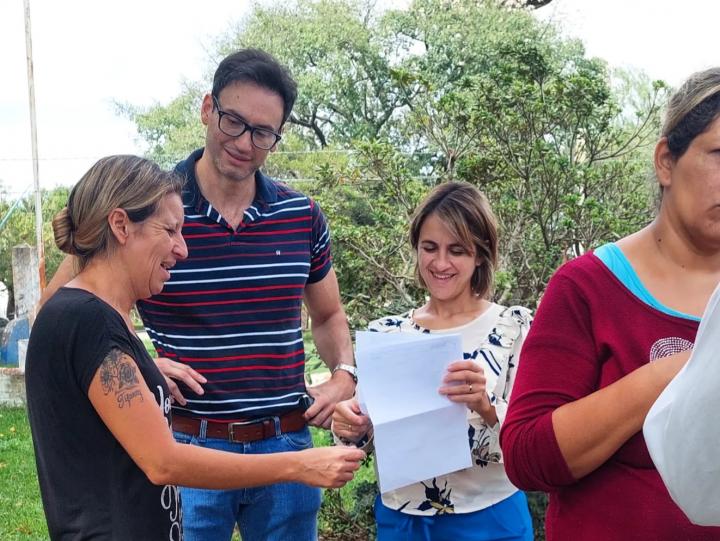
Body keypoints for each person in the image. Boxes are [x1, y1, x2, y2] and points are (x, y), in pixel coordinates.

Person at [40, 49, 358, 541]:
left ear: (278, 137)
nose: (244, 142)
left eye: (263, 132)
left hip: (284, 439)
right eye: (234, 121)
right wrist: (140, 364)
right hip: (185, 443)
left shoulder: (303, 215)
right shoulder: (144, 203)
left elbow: (329, 313)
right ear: (208, 108)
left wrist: (344, 374)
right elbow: (69, 307)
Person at [500, 67, 720, 541]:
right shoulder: (588, 288)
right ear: (666, 160)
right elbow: (525, 454)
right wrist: (674, 373)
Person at [332, 182, 534, 541]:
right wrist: (351, 425)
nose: (440, 263)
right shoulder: (388, 333)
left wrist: (486, 407)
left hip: (490, 518)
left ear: (481, 254)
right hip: (402, 521)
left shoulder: (513, 327)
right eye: (430, 248)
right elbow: (367, 434)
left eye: (457, 250)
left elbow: (534, 438)